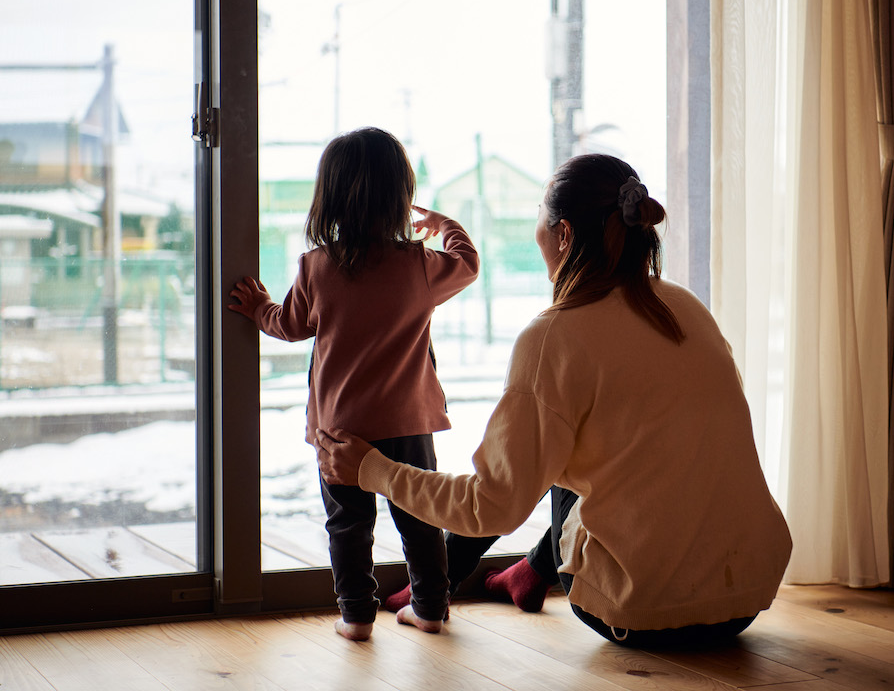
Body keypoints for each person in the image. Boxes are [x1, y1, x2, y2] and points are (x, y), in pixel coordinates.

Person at [316, 153, 791, 648]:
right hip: (744, 599)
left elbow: (490, 506)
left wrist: (372, 468)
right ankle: (520, 573)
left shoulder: (552, 338)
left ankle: (460, 579)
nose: (534, 231)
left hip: (638, 607)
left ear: (562, 234)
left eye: (539, 216)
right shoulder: (686, 306)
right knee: (568, 442)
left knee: (540, 452)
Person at [228, 126, 479, 641]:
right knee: (420, 516)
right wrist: (445, 224)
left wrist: (258, 308)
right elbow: (469, 263)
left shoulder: (318, 267)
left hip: (341, 428)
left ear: (331, 199)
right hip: (409, 421)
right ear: (401, 198)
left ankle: (357, 616)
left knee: (348, 523)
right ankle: (430, 607)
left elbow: (292, 325)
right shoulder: (419, 265)